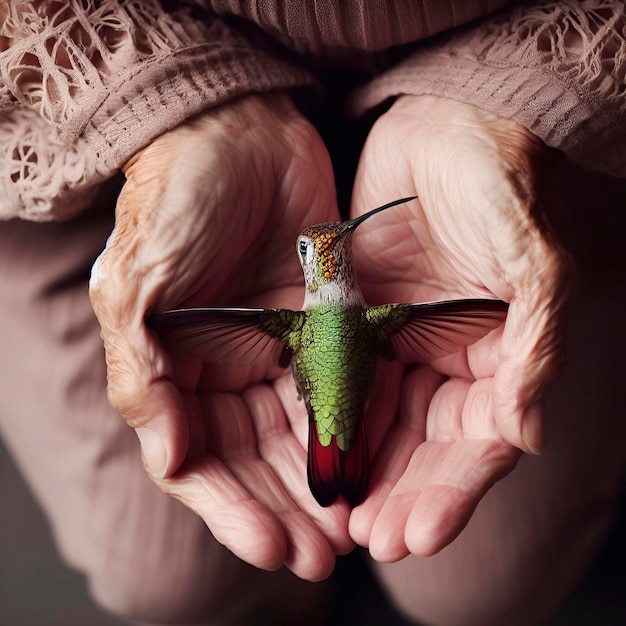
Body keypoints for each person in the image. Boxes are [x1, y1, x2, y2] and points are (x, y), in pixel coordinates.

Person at [1, 1, 625, 624]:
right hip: (109, 168)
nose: (334, 254)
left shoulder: (327, 321)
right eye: (322, 251)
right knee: (164, 580)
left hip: (518, 133)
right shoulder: (362, 319)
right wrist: (169, 109)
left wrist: (506, 99)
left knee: (480, 592)